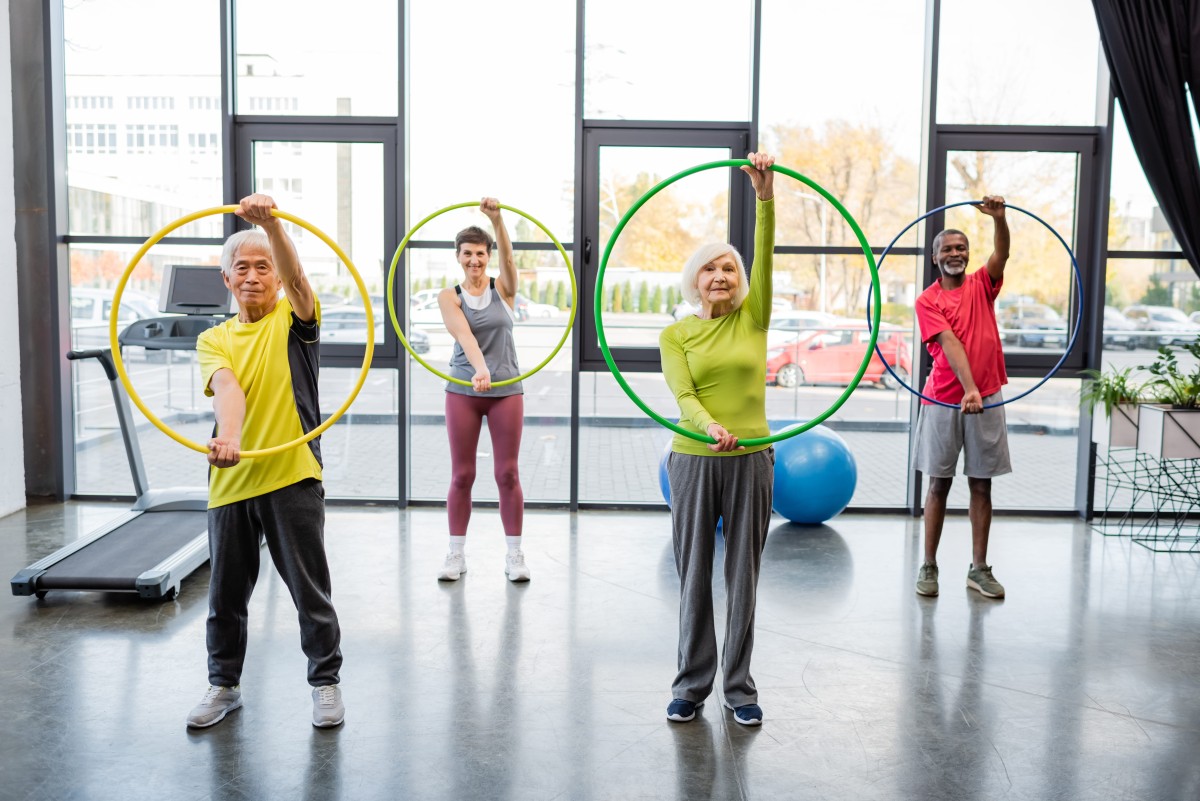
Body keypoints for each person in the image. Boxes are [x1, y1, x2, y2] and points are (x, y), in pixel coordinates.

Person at [187, 193, 345, 729]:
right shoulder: (214, 339)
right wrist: (228, 438)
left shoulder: (293, 321)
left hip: (292, 473)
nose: (253, 276)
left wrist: (273, 226)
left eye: (264, 267)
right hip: (232, 479)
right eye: (242, 268)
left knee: (309, 590)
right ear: (227, 280)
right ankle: (222, 686)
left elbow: (301, 283)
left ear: (276, 278)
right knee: (225, 596)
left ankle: (326, 684)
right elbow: (228, 390)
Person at [659, 151, 776, 727]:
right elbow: (684, 398)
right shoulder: (675, 333)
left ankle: (739, 686)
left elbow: (767, 256)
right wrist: (711, 428)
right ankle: (690, 684)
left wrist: (765, 198)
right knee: (695, 573)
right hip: (695, 457)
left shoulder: (754, 318)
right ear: (695, 279)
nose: (721, 276)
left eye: (729, 267)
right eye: (711, 269)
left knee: (744, 576)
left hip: (753, 456)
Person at [912, 195, 1011, 600]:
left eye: (961, 248)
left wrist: (1000, 220)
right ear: (935, 258)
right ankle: (929, 565)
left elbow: (1002, 253)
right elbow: (950, 342)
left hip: (986, 397)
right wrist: (968, 388)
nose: (955, 253)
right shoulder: (927, 300)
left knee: (982, 484)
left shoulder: (981, 285)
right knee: (938, 484)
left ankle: (979, 568)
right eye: (947, 249)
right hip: (944, 400)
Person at [436, 197, 529, 583]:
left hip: (506, 390)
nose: (474, 260)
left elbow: (509, 260)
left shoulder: (503, 290)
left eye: (481, 253)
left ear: (488, 256)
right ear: (459, 256)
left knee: (507, 474)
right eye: (467, 254)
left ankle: (515, 555)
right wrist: (478, 370)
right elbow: (464, 334)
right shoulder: (448, 296)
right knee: (462, 475)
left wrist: (497, 219)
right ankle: (455, 554)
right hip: (464, 389)